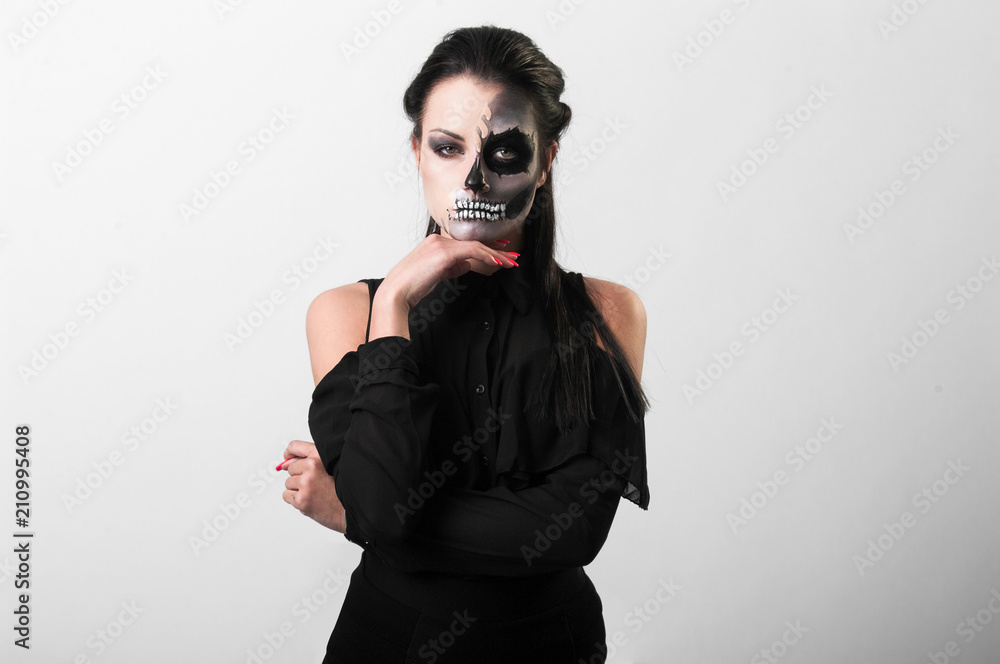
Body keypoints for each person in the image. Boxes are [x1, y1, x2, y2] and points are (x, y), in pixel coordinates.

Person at [280, 25, 650, 663]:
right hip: (389, 643)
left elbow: (571, 534)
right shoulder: (349, 313)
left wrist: (350, 515)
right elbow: (384, 506)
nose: (472, 179)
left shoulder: (607, 313)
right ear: (417, 151)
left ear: (546, 160)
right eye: (448, 148)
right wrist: (394, 302)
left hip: (553, 646)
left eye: (504, 152)